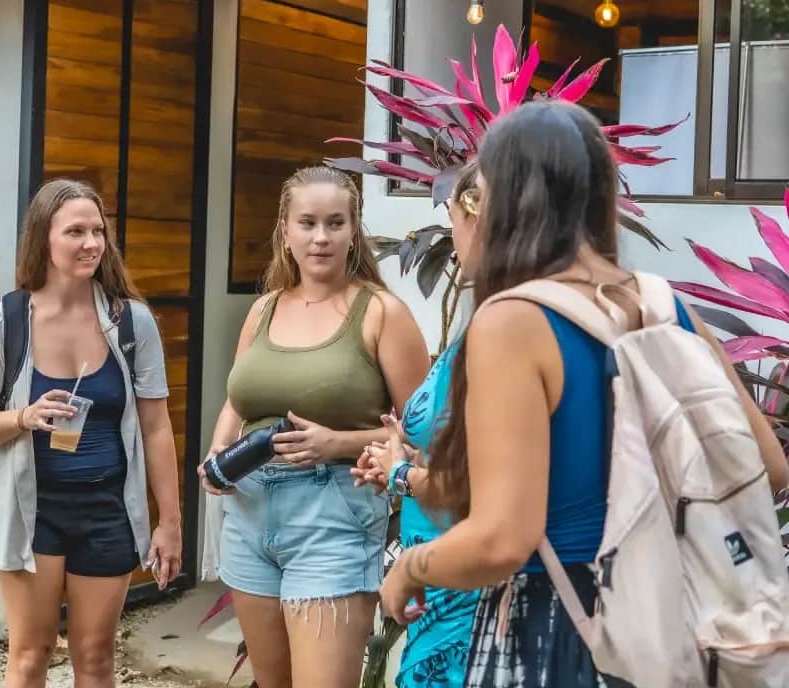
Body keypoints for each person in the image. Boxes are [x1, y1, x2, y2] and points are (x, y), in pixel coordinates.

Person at [378, 100, 789, 687]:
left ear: (501, 196)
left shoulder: (511, 320)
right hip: (669, 627)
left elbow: (501, 539)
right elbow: (767, 468)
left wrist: (411, 569)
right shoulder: (662, 303)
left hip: (559, 632)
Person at [199, 166, 430, 688]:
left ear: (354, 229)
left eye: (334, 223)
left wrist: (338, 443)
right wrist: (217, 456)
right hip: (250, 510)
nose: (320, 237)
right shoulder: (264, 310)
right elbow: (238, 400)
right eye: (307, 223)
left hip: (334, 513)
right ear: (286, 230)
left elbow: (418, 434)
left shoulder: (381, 314)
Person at [0, 179, 182, 688]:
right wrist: (23, 417)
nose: (90, 243)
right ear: (44, 238)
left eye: (98, 231)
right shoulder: (5, 324)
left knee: (96, 656)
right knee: (29, 655)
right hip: (31, 513)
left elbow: (156, 426)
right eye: (75, 232)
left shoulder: (132, 323)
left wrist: (169, 521)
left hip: (107, 510)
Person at [352, 164, 482, 687]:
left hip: (466, 584)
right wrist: (399, 456)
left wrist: (404, 474)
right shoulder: (484, 317)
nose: (452, 240)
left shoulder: (509, 331)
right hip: (439, 578)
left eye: (453, 219)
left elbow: (480, 492)